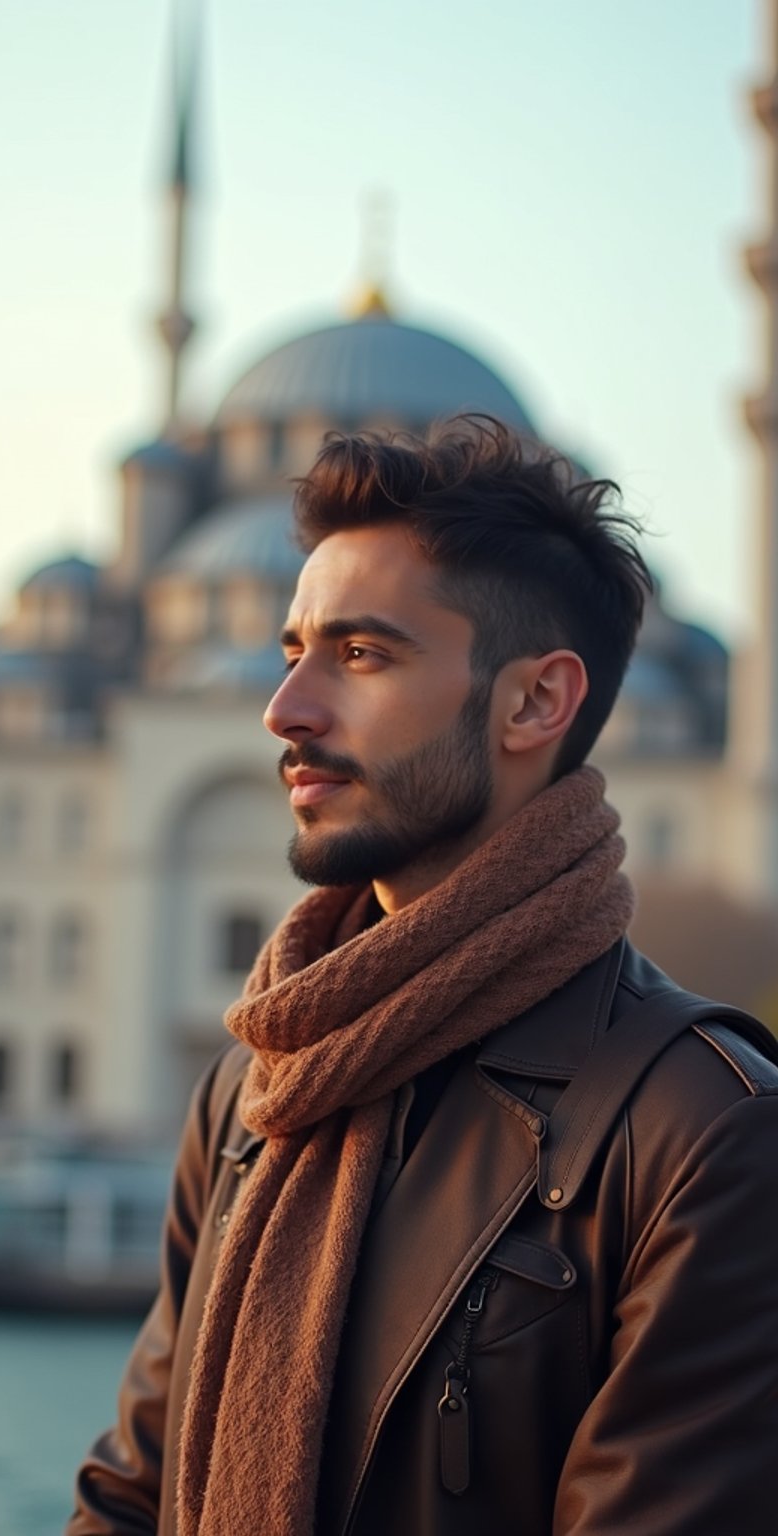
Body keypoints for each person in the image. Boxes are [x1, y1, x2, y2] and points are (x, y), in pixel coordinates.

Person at [67, 415, 778, 1536]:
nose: (284, 708)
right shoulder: (255, 1090)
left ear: (534, 703)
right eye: (292, 648)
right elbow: (131, 1492)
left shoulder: (699, 1129)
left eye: (360, 654)